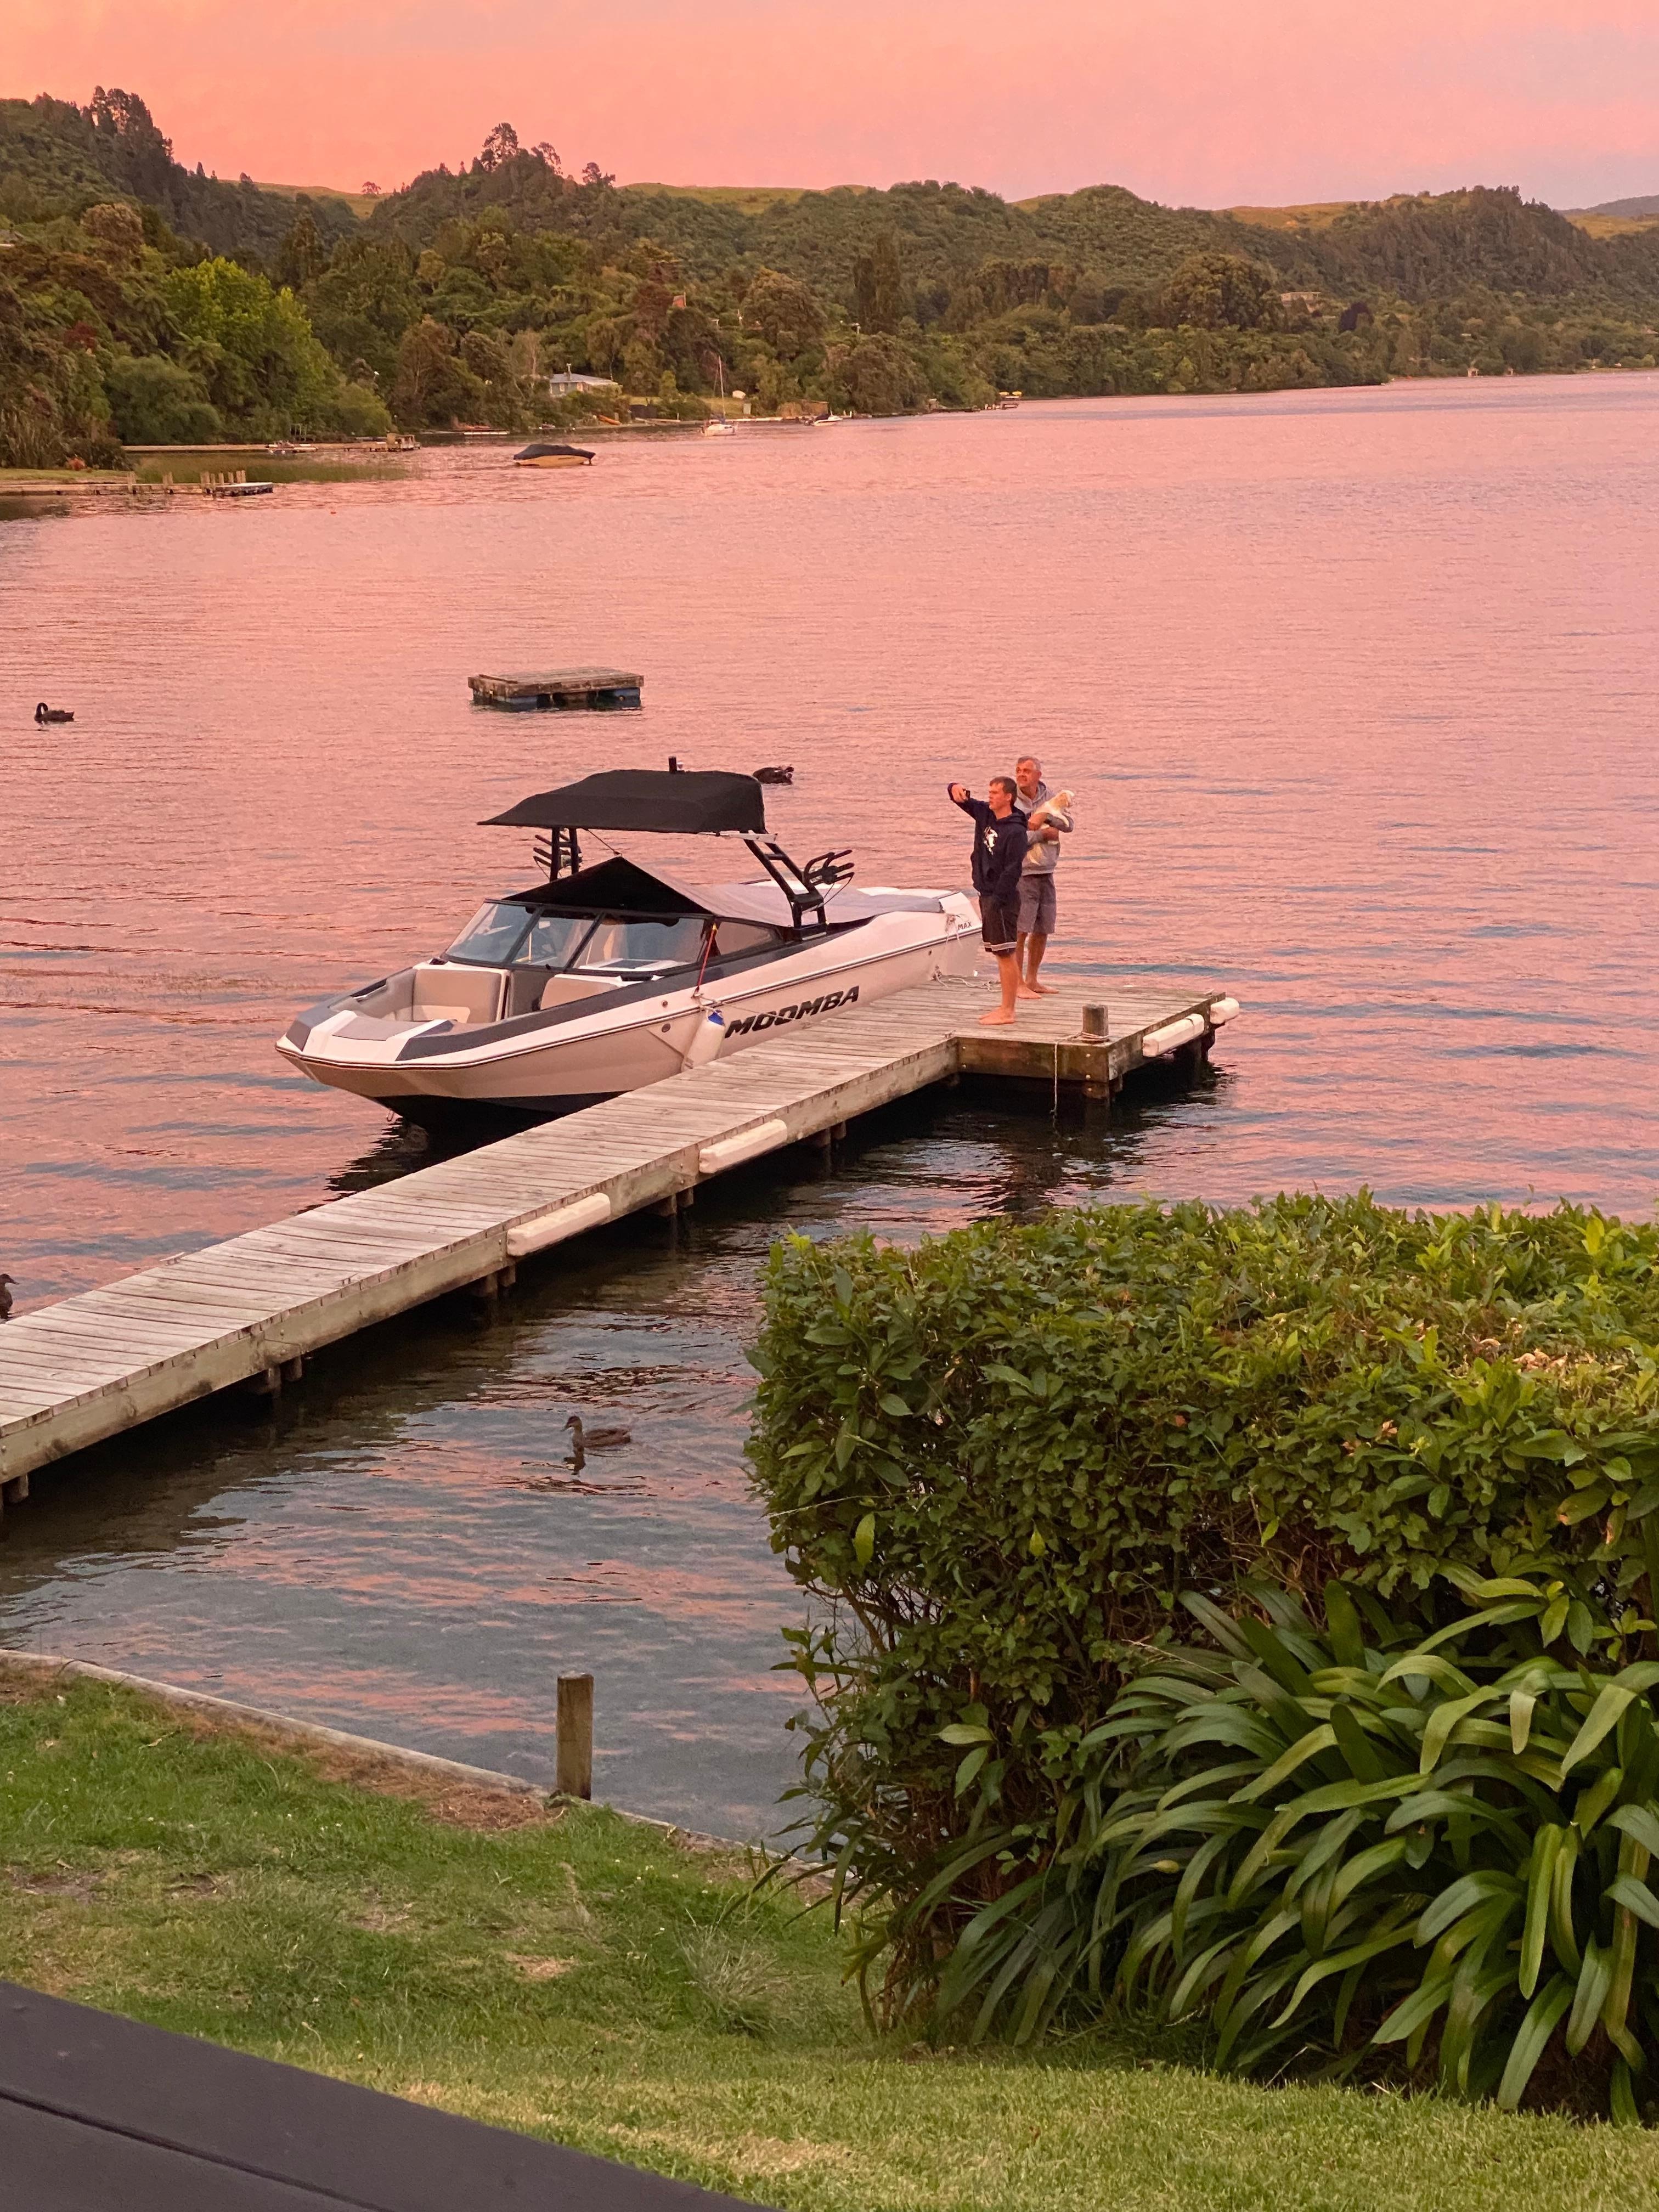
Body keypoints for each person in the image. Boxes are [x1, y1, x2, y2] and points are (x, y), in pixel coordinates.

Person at [948, 776, 1029, 1025]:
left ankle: (1008, 1010)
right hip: (987, 894)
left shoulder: (1016, 830)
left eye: (995, 793)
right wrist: (954, 787)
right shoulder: (985, 814)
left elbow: (1013, 869)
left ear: (1008, 797)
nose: (990, 796)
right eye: (989, 792)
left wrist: (998, 898)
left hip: (1002, 899)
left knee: (1006, 953)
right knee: (1000, 953)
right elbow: (958, 798)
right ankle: (1005, 1006)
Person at [1011, 754, 1069, 996]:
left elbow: (1069, 825)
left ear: (1038, 775)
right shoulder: (1011, 800)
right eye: (1018, 770)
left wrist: (1045, 817)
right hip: (1022, 873)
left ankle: (1032, 979)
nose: (1021, 774)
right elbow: (1013, 839)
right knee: (1020, 930)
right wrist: (1042, 834)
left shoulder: (1049, 797)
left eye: (1026, 771)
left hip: (1047, 871)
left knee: (1043, 928)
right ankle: (1016, 984)